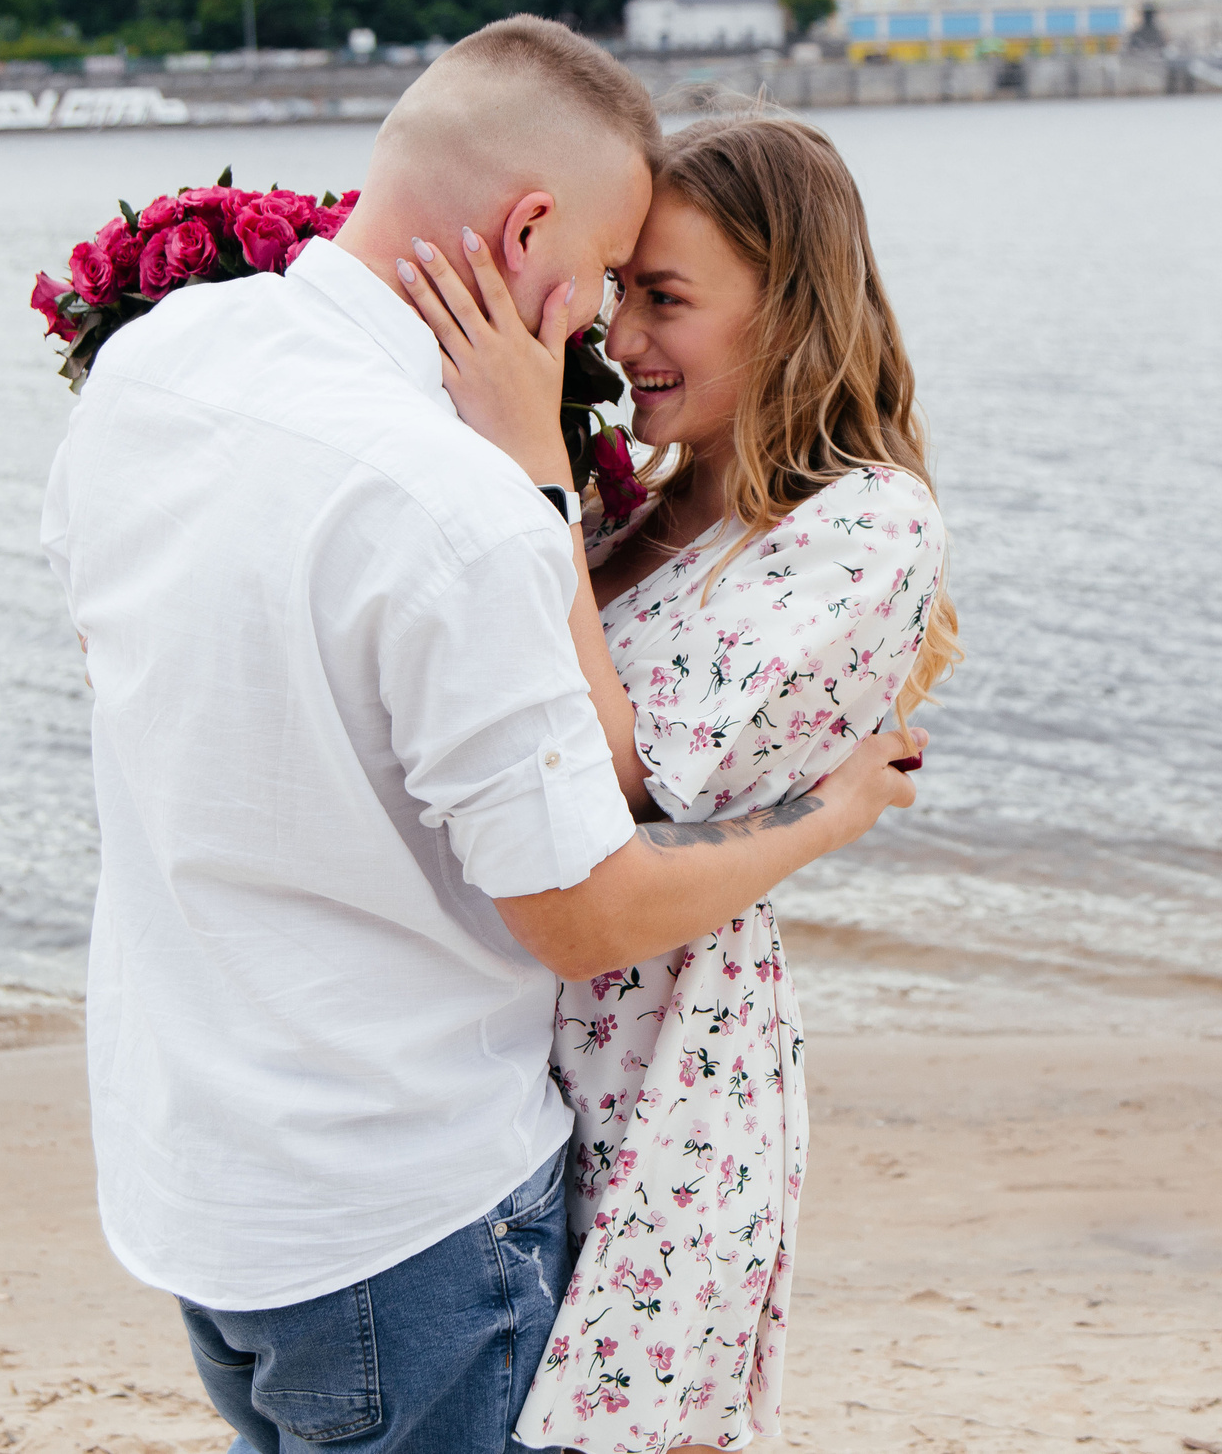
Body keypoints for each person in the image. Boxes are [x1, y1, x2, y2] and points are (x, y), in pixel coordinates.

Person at [39, 18, 927, 1454]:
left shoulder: (166, 358)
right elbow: (585, 919)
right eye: (603, 281)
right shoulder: (461, 510)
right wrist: (832, 815)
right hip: (403, 1206)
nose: (600, 336)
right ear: (531, 231)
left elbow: (115, 654)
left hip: (201, 1179)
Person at [398, 112, 959, 1451]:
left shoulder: (866, 524)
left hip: (667, 1068)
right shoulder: (643, 506)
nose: (625, 341)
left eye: (667, 299)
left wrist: (533, 466)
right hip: (529, 1046)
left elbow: (639, 772)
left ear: (790, 306)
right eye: (618, 295)